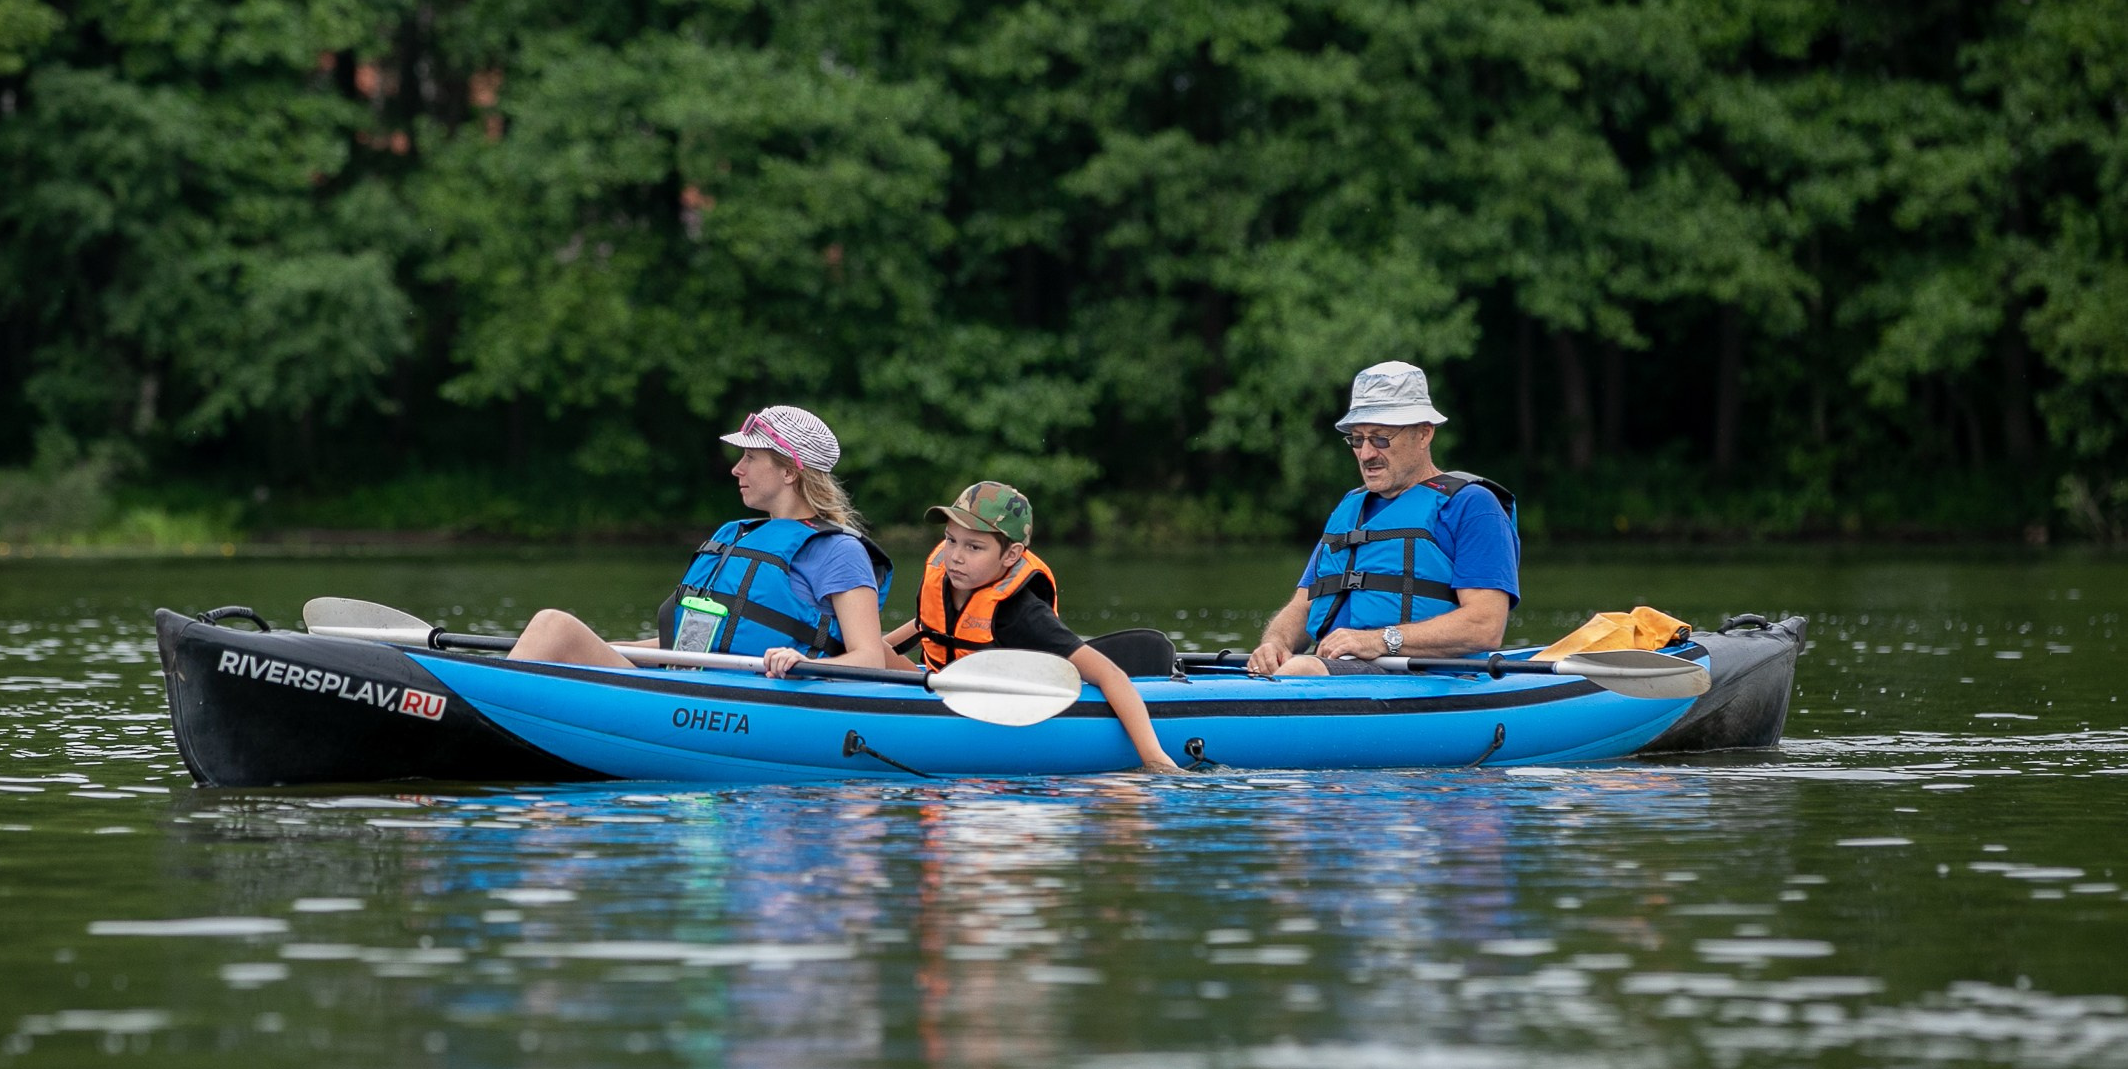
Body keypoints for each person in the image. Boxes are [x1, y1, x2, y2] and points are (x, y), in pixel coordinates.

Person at [509, 405, 897, 673]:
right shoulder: (737, 535)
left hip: (744, 706)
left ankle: (480, 711)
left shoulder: (839, 552)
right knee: (558, 635)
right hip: (685, 689)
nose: (736, 469)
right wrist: (599, 649)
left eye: (749, 458)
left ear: (789, 472)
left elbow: (869, 659)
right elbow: (685, 645)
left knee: (553, 624)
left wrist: (804, 664)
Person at [1248, 361, 1520, 678]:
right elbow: (1302, 605)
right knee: (1282, 667)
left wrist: (1379, 640)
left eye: (1380, 438)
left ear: (1424, 433)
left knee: (1300, 671)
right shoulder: (1350, 508)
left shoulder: (1472, 506)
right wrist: (1274, 644)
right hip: (1335, 669)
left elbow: (1484, 626)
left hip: (1428, 678)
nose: (1366, 454)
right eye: (1357, 439)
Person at [884, 481, 1179, 771]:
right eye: (951, 540)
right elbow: (928, 626)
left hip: (1006, 706)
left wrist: (1154, 758)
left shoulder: (1023, 614)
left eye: (974, 547)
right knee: (872, 649)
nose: (956, 557)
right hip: (944, 689)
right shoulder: (947, 581)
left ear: (1010, 555)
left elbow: (1110, 674)